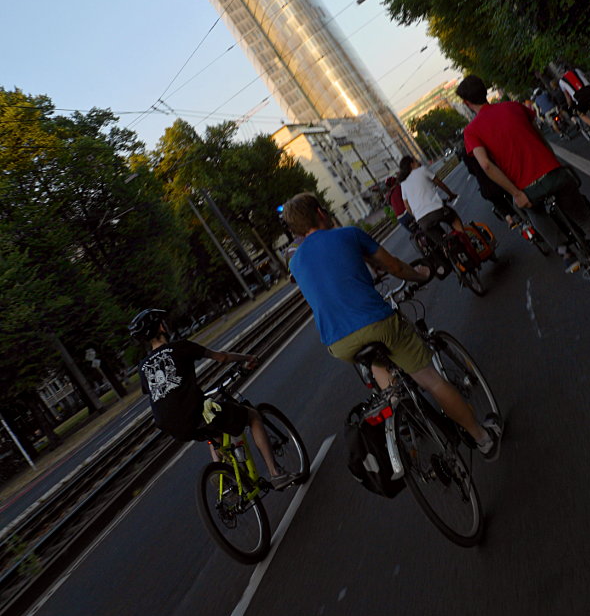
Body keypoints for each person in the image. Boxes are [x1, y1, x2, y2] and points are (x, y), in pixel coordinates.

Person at [282, 192, 501, 458]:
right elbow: (395, 267)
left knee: (379, 363)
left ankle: (400, 411)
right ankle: (483, 438)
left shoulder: (295, 261)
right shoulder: (348, 234)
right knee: (431, 380)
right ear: (320, 212)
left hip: (338, 343)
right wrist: (420, 275)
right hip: (375, 322)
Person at [454, 75, 590, 289]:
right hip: (554, 172)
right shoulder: (514, 106)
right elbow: (539, 136)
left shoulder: (472, 132)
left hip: (527, 188)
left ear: (467, 103)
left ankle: (566, 253)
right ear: (485, 91)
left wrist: (516, 193)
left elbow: (486, 165)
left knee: (531, 211)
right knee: (585, 218)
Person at [129, 308, 296, 489]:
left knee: (213, 430)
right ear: (161, 327)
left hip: (171, 426)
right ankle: (276, 474)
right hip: (194, 413)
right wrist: (247, 358)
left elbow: (156, 391)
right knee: (253, 416)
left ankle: (224, 480)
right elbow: (222, 357)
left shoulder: (143, 367)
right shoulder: (179, 347)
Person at [399, 156, 463, 245]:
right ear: (411, 164)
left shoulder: (403, 184)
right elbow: (439, 183)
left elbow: (406, 205)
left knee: (442, 242)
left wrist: (417, 215)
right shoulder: (422, 170)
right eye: (416, 161)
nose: (419, 162)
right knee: (454, 218)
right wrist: (451, 194)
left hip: (422, 220)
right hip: (437, 210)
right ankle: (465, 240)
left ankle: (449, 253)